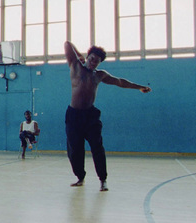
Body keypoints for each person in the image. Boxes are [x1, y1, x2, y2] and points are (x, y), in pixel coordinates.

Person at [64, 41, 151, 191]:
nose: (92, 62)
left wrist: (140, 87)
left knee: (97, 148)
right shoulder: (76, 66)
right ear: (87, 56)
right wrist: (79, 55)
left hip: (91, 116)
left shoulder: (100, 75)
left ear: (99, 63)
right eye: (91, 59)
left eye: (96, 61)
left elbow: (120, 82)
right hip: (74, 116)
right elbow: (67, 44)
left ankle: (102, 179)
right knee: (74, 149)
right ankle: (80, 177)